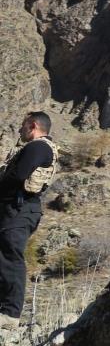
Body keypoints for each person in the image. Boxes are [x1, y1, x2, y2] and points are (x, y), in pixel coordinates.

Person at [0, 112, 58, 329]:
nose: (20, 131)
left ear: (33, 126)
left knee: (10, 256)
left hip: (20, 209)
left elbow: (17, 176)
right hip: (17, 209)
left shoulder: (37, 147)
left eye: (23, 126)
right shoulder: (42, 148)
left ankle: (9, 313)